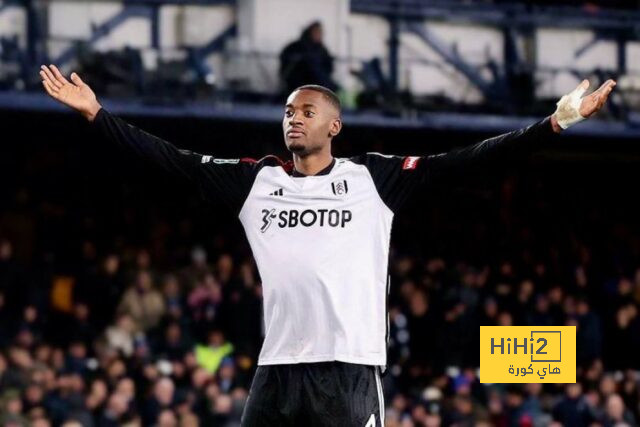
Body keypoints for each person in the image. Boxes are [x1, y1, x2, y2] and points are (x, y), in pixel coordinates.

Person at [40, 63, 615, 426]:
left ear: (333, 126)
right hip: (279, 367)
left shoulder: (374, 179)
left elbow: (466, 163)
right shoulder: (256, 182)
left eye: (308, 111)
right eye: (289, 111)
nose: (295, 119)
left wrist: (553, 125)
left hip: (349, 370)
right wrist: (97, 114)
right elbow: (172, 160)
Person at [279, 21, 338, 95]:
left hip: (320, 84)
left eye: (320, 32)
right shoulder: (297, 46)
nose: (318, 35)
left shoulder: (322, 49)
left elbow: (329, 67)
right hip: (301, 83)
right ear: (310, 32)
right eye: (316, 32)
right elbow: (288, 65)